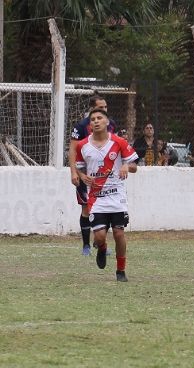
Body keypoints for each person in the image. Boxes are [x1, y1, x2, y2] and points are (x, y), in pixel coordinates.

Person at [74, 108, 138, 282]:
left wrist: (126, 166)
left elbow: (134, 166)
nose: (96, 121)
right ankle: (101, 248)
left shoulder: (118, 142)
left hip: (117, 195)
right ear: (90, 124)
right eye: (93, 118)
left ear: (107, 122)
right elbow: (79, 167)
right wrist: (81, 176)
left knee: (119, 233)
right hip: (96, 198)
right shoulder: (83, 146)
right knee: (100, 236)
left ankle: (121, 270)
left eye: (99, 118)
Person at [68, 95, 117, 256]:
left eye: (106, 107)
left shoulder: (111, 125)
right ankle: (86, 245)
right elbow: (73, 150)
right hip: (85, 175)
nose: (104, 110)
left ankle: (99, 242)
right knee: (87, 209)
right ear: (92, 109)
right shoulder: (82, 126)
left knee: (105, 209)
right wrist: (74, 172)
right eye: (101, 107)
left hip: (105, 178)